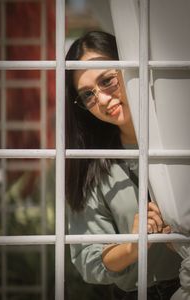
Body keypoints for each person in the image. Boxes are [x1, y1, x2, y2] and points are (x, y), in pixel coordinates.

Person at [65, 31, 181, 300]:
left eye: (107, 80)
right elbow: (86, 257)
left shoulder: (180, 137)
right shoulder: (91, 163)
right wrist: (132, 246)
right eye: (88, 95)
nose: (102, 100)